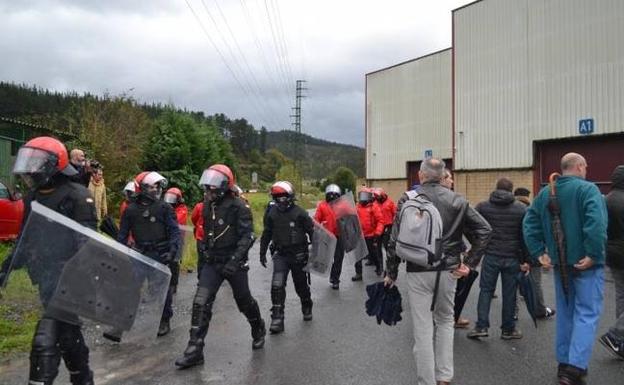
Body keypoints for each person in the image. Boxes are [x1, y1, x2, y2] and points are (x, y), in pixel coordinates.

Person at [385, 157, 491, 385]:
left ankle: (427, 380)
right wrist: (469, 263)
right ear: (443, 176)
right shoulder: (457, 200)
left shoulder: (408, 198)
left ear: (421, 175)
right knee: (444, 321)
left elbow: (393, 239)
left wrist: (391, 272)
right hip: (449, 270)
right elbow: (485, 230)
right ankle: (444, 376)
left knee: (422, 327)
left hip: (417, 269)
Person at [1, 137, 98, 384]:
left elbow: (86, 245)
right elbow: (25, 239)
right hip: (45, 279)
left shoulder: (78, 196)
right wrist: (5, 271)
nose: (31, 168)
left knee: (44, 340)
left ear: (54, 164)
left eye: (37, 162)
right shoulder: (32, 197)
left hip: (70, 283)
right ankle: (83, 378)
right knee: (67, 336)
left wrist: (78, 279)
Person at [523, 153, 607, 385]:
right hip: (586, 264)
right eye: (586, 166)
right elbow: (596, 224)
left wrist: (539, 252)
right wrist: (593, 253)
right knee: (587, 313)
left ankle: (564, 361)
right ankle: (574, 367)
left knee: (566, 312)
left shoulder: (545, 192)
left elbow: (529, 223)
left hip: (560, 264)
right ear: (579, 167)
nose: (586, 170)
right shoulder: (588, 190)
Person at [175, 164, 265, 369]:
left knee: (243, 301)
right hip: (213, 262)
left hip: (235, 262)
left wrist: (235, 260)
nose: (208, 190)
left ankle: (257, 326)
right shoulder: (207, 205)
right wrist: (205, 250)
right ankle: (194, 349)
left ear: (225, 185)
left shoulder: (239, 206)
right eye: (207, 186)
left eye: (213, 186)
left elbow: (248, 236)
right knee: (200, 302)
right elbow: (206, 230)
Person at [118, 171, 180, 337]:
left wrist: (172, 251)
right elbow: (122, 234)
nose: (156, 189)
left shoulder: (164, 208)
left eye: (157, 186)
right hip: (139, 254)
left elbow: (174, 231)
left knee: (161, 289)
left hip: (160, 253)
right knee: (131, 288)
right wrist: (123, 252)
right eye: (152, 186)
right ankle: (123, 321)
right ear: (143, 188)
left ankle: (164, 320)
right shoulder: (130, 210)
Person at [467, 178, 529, 340]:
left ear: (496, 189)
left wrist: (477, 245)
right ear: (511, 190)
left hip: (491, 256)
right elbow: (525, 236)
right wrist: (526, 259)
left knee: (486, 291)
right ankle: (508, 329)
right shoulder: (521, 209)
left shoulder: (483, 207)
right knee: (509, 294)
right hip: (512, 257)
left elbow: (471, 225)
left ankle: (481, 326)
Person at [260, 181, 315, 333]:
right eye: (277, 198)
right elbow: (266, 234)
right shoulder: (271, 213)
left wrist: (315, 251)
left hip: (298, 255)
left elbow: (312, 232)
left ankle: (306, 304)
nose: (280, 201)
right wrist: (262, 252)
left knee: (301, 286)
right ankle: (277, 318)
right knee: (277, 285)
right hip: (281, 255)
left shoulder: (300, 213)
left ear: (290, 197)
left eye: (283, 197)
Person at [514, 187, 556, 320]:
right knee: (536, 284)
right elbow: (538, 232)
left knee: (512, 284)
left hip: (513, 252)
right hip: (532, 252)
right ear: (527, 196)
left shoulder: (510, 209)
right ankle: (540, 310)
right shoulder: (531, 210)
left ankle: (512, 312)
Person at [599, 165, 624, 359]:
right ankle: (615, 334)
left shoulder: (604, 200)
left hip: (611, 254)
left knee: (621, 295)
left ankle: (620, 339)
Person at [315, 184, 345, 290]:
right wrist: (318, 229)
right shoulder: (322, 206)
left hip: (339, 236)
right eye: (330, 195)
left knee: (338, 259)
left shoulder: (342, 206)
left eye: (334, 195)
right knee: (328, 259)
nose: (332, 197)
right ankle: (333, 274)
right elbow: (316, 220)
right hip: (327, 236)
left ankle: (335, 279)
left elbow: (350, 220)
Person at [354, 187, 384, 279]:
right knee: (358, 255)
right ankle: (359, 273)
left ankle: (379, 266)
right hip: (359, 235)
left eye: (365, 196)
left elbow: (380, 220)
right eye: (361, 196)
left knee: (373, 253)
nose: (363, 198)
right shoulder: (357, 207)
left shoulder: (374, 207)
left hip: (371, 235)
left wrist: (378, 232)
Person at [164, 187, 188, 295]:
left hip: (178, 239)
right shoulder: (166, 208)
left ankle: (174, 285)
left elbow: (175, 220)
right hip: (166, 238)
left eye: (173, 198)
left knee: (174, 262)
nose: (170, 201)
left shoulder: (182, 209)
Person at [190, 197, 205, 279]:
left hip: (201, 237)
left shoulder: (199, 206)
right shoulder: (199, 206)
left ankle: (201, 277)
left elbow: (193, 218)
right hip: (201, 236)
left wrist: (198, 226)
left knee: (201, 258)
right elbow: (193, 218)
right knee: (202, 258)